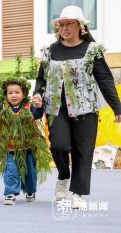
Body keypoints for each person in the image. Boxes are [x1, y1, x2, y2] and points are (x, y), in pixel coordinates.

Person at [33, 6, 121, 209]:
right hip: (57, 108)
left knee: (83, 151)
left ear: (80, 26)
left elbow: (105, 80)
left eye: (68, 24)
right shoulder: (50, 51)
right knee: (59, 145)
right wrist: (37, 94)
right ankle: (63, 176)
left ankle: (78, 193)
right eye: (60, 24)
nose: (63, 28)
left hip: (86, 108)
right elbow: (41, 79)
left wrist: (117, 108)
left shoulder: (92, 50)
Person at [0, 77, 51, 205]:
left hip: (28, 148)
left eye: (17, 92)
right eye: (10, 93)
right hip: (10, 149)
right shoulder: (2, 108)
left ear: (24, 94)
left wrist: (40, 106)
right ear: (6, 94)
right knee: (10, 171)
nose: (13, 95)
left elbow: (38, 114)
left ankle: (30, 191)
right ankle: (10, 193)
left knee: (30, 173)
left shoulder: (29, 107)